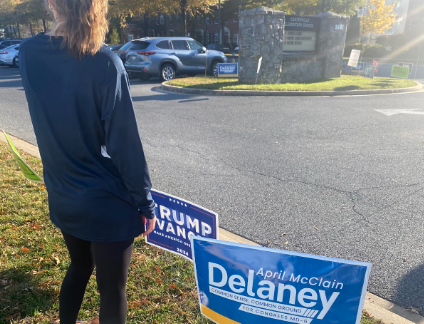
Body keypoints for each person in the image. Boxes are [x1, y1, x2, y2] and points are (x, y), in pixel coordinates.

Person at [18, 0, 156, 323]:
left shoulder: (28, 54)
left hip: (64, 196)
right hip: (106, 203)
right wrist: (145, 203)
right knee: (112, 290)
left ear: (52, 4)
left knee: (79, 266)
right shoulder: (106, 64)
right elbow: (126, 146)